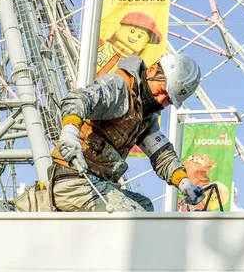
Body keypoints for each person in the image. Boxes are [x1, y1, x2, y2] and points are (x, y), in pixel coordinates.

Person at [50, 53, 205, 212]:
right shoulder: (119, 88)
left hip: (99, 184)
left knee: (146, 207)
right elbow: (80, 99)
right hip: (73, 180)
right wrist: (70, 130)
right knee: (134, 219)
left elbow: (162, 155)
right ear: (152, 70)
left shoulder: (145, 116)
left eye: (168, 100)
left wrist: (184, 182)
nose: (160, 100)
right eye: (163, 90)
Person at [95, 11, 162, 77]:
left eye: (140, 36)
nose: (134, 37)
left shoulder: (134, 67)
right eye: (132, 31)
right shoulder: (100, 45)